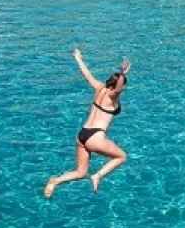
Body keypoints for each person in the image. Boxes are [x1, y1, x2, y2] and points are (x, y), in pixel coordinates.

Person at [45, 49, 131, 198]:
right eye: (123, 86)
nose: (123, 89)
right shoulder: (112, 97)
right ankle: (97, 176)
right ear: (119, 87)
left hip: (82, 135)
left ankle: (55, 181)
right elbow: (118, 88)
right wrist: (123, 74)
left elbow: (87, 75)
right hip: (96, 137)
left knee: (80, 172)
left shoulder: (99, 88)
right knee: (121, 157)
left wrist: (79, 59)